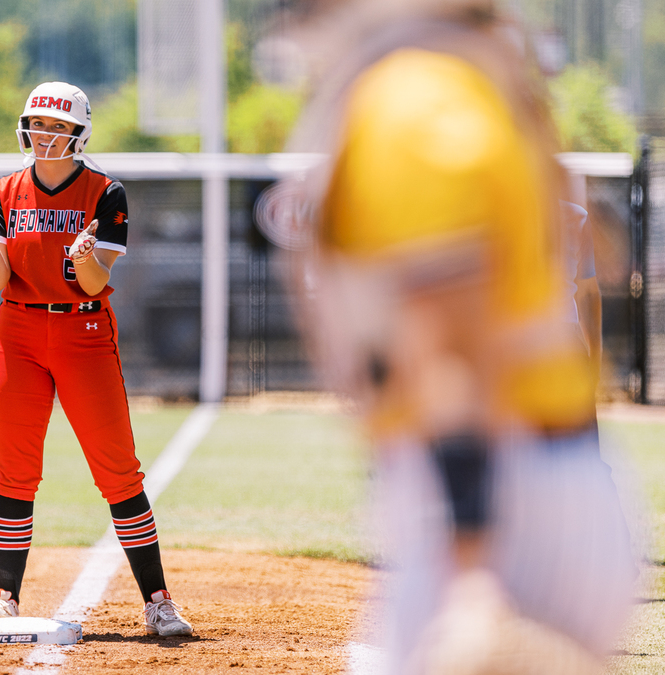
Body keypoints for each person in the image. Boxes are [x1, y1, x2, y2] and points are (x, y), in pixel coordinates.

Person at [270, 1, 635, 672]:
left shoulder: (413, 101)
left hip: (502, 495)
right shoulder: (457, 80)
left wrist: (472, 566)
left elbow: (453, 346)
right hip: (532, 472)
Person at [0, 81, 192, 637]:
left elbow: (94, 282)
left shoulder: (106, 192)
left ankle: (157, 600)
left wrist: (84, 258)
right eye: (37, 123)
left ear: (78, 134)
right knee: (14, 470)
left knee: (118, 470)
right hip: (18, 331)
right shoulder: (5, 190)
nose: (44, 134)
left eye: (57, 126)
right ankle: (4, 597)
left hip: (82, 330)